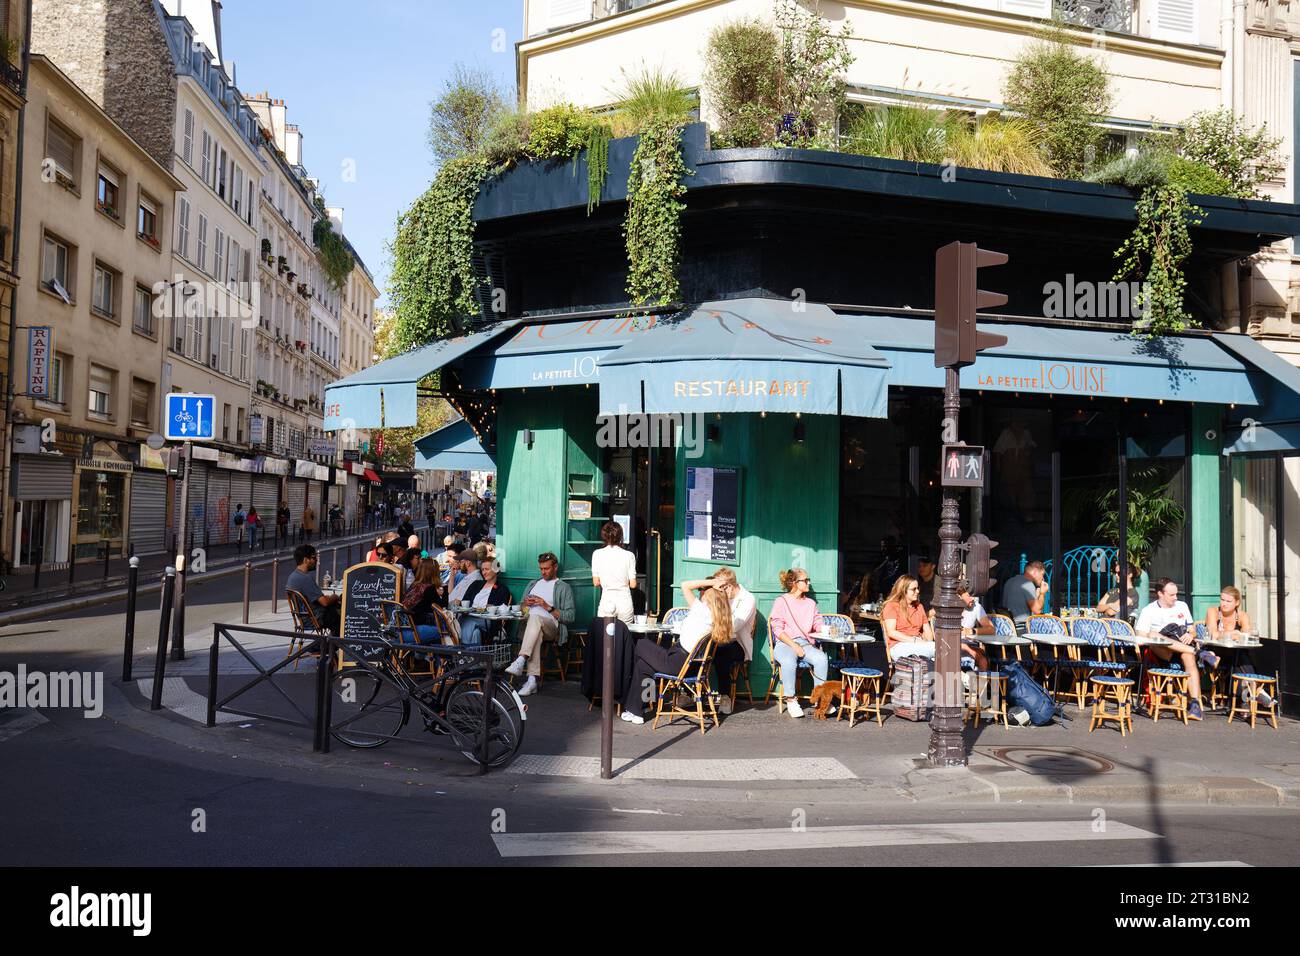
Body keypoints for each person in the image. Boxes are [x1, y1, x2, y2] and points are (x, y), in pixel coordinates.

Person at [622, 586, 733, 725]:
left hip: (677, 663)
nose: (701, 593)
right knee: (643, 665)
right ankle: (637, 710)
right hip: (691, 665)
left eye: (704, 591)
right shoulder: (713, 617)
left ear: (709, 599)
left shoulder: (702, 611)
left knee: (641, 644)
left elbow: (686, 585)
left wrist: (710, 581)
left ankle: (636, 697)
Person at [679, 568, 755, 716]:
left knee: (721, 650)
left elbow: (733, 627)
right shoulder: (721, 595)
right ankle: (689, 692)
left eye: (720, 586)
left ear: (729, 586)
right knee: (699, 645)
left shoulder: (747, 599)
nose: (718, 590)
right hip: (715, 638)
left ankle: (725, 696)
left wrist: (709, 621)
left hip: (737, 643)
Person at [1135, 577, 1211, 721]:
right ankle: (1201, 653)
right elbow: (1141, 635)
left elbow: (1192, 629)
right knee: (1153, 634)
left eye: (1176, 594)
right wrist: (1160, 637)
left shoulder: (1182, 606)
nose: (1176, 598)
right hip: (1162, 652)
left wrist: (1190, 634)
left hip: (1184, 648)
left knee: (1188, 656)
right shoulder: (1149, 610)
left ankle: (1195, 704)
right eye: (1172, 595)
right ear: (1160, 593)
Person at [505, 552, 576, 697]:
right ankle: (531, 682)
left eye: (546, 568)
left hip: (552, 627)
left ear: (555, 567)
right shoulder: (533, 584)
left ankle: (521, 659)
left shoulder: (563, 587)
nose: (543, 572)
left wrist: (546, 606)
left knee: (536, 619)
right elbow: (521, 609)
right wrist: (525, 603)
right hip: (530, 628)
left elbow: (570, 616)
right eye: (541, 569)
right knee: (535, 629)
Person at [768, 568, 830, 719]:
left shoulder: (810, 603)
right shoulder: (781, 601)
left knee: (821, 658)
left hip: (804, 643)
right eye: (805, 580)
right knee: (789, 661)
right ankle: (790, 700)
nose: (809, 583)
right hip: (784, 643)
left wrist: (826, 630)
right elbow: (777, 629)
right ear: (794, 583)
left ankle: (819, 700)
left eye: (808, 580)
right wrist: (793, 645)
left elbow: (817, 622)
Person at [1206, 586, 1271, 709]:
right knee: (1241, 659)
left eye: (1228, 601)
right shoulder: (1213, 611)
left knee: (1240, 658)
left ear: (1237, 603)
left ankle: (1245, 701)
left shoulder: (1242, 615)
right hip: (1216, 654)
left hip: (1235, 653)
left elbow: (1245, 636)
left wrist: (1227, 634)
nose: (1224, 604)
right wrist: (1234, 634)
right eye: (1222, 600)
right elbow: (1213, 634)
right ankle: (1253, 693)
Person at [286, 544, 340, 634]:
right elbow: (324, 602)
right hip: (315, 618)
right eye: (313, 558)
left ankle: (326, 645)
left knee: (337, 616)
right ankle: (325, 646)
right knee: (344, 616)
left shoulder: (293, 576)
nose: (316, 560)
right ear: (305, 560)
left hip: (304, 618)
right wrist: (334, 597)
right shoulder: (305, 578)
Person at [592, 520, 637, 625]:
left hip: (606, 600)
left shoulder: (597, 554)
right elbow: (633, 584)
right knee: (625, 635)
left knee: (605, 637)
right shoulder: (629, 555)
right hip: (624, 601)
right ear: (620, 536)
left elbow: (596, 582)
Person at [458, 559, 513, 646]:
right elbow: (465, 602)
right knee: (476, 633)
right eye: (482, 570)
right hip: (469, 615)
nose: (484, 572)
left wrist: (491, 607)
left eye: (487, 569)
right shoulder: (476, 584)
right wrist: (458, 602)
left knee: (469, 622)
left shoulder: (502, 589)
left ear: (496, 570)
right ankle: (474, 657)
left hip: (488, 621)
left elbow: (503, 610)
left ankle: (461, 650)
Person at [397, 558, 447, 644]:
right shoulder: (429, 589)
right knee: (446, 632)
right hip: (413, 632)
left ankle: (421, 655)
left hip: (400, 630)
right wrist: (445, 591)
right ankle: (432, 655)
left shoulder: (414, 586)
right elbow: (442, 607)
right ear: (434, 572)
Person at [1001, 560, 1049, 628]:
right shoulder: (1028, 584)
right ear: (1035, 572)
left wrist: (1037, 595)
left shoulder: (1010, 581)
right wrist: (1042, 593)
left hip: (1007, 626)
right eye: (1042, 574)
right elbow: (1037, 611)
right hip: (1020, 627)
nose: (1043, 578)